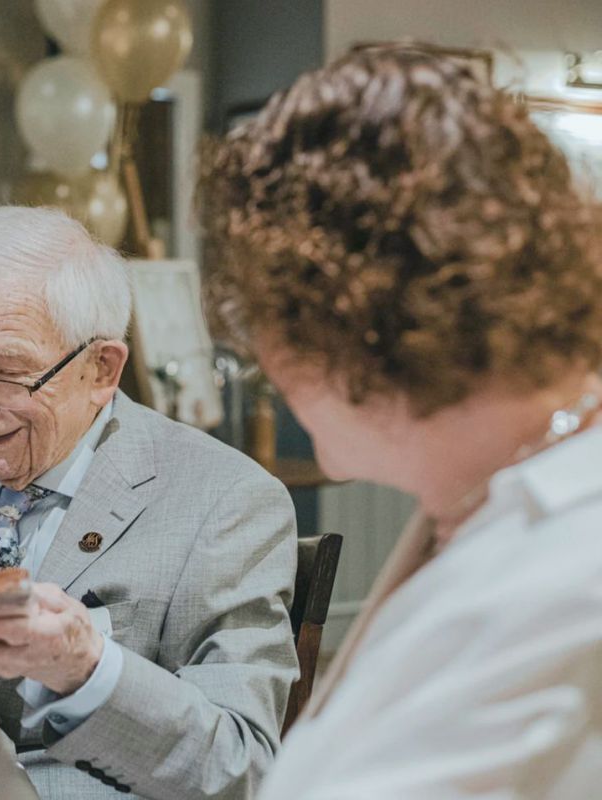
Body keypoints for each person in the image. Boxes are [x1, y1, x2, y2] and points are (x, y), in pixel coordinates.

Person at [198, 43, 602, 799]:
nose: (267, 368)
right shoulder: (480, 493)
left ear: (347, 328)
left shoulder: (568, 581)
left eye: (267, 330)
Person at [0, 207, 299, 799]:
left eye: (8, 373)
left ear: (101, 369)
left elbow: (240, 768)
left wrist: (86, 669)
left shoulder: (223, 502)